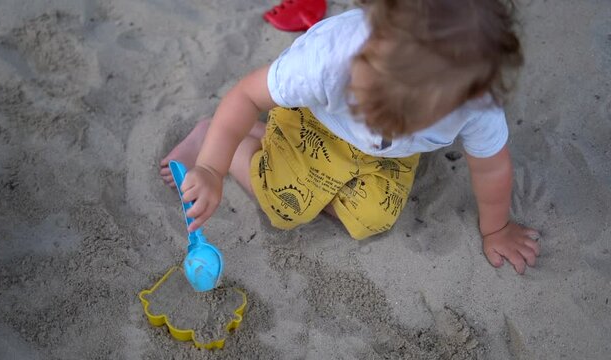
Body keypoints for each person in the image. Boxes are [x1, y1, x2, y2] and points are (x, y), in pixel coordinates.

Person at [159, 0, 541, 274]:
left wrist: (497, 228)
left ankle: (299, 165)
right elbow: (246, 95)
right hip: (319, 124)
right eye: (371, 100)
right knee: (286, 205)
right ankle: (211, 135)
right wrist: (211, 167)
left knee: (372, 219)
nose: (384, 126)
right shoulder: (328, 56)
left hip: (391, 157)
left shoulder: (476, 99)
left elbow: (491, 166)